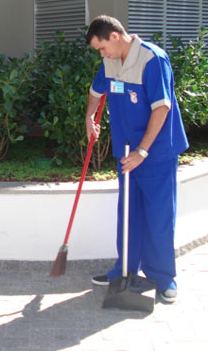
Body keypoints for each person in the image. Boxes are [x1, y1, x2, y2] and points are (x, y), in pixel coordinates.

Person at [85, 15, 188, 303]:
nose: (101, 55)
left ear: (115, 36)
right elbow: (96, 91)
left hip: (155, 152)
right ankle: (125, 269)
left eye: (102, 48)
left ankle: (163, 277)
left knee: (158, 215)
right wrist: (89, 117)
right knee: (128, 213)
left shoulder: (153, 59)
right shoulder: (110, 61)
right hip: (126, 152)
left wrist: (142, 152)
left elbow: (161, 108)